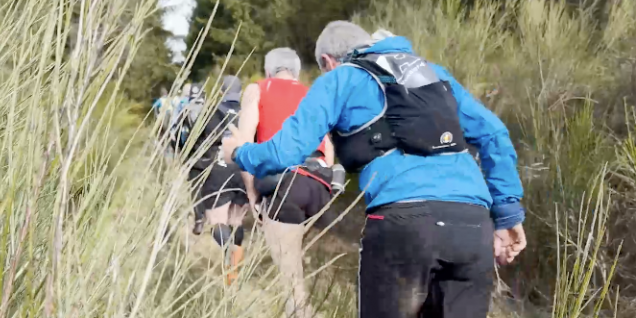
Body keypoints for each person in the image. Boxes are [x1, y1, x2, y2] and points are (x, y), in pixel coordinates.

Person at [223, 21, 527, 318]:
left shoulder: (340, 79)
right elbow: (493, 134)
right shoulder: (432, 73)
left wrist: (239, 152)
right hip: (472, 227)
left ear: (328, 61)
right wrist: (508, 213)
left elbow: (285, 152)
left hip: (404, 224)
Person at [236, 47, 336, 318]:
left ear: (269, 71)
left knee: (293, 285)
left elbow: (243, 145)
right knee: (316, 271)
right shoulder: (313, 93)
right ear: (296, 72)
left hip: (285, 185)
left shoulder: (258, 90)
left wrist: (252, 194)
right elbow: (328, 148)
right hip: (319, 183)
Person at [178, 76, 248, 286]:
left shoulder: (211, 111)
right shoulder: (248, 112)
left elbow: (194, 139)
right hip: (245, 169)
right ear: (240, 92)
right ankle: (233, 276)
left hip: (220, 168)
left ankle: (229, 256)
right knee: (236, 221)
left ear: (220, 92)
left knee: (217, 221)